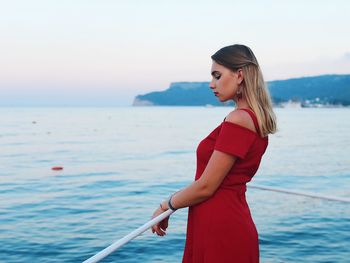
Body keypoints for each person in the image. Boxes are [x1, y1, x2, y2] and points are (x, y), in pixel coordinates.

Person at [151, 44, 277, 263]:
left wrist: (166, 206)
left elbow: (206, 186)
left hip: (221, 227)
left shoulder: (238, 120)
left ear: (239, 75)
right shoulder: (253, 119)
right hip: (221, 221)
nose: (212, 84)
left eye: (217, 76)